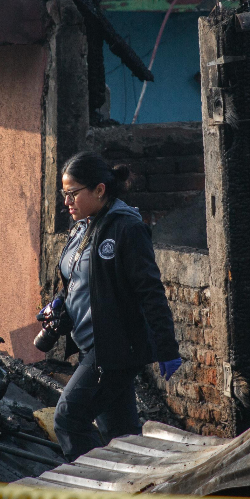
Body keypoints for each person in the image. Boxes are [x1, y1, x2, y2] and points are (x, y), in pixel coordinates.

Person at [52, 151, 183, 459]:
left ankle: (95, 496)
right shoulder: (82, 227)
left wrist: (166, 348)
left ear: (99, 190)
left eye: (72, 194)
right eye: (63, 194)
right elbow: (76, 280)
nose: (66, 202)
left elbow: (150, 292)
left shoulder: (126, 228)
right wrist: (57, 304)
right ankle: (135, 496)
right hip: (90, 344)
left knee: (68, 419)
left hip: (114, 348)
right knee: (121, 438)